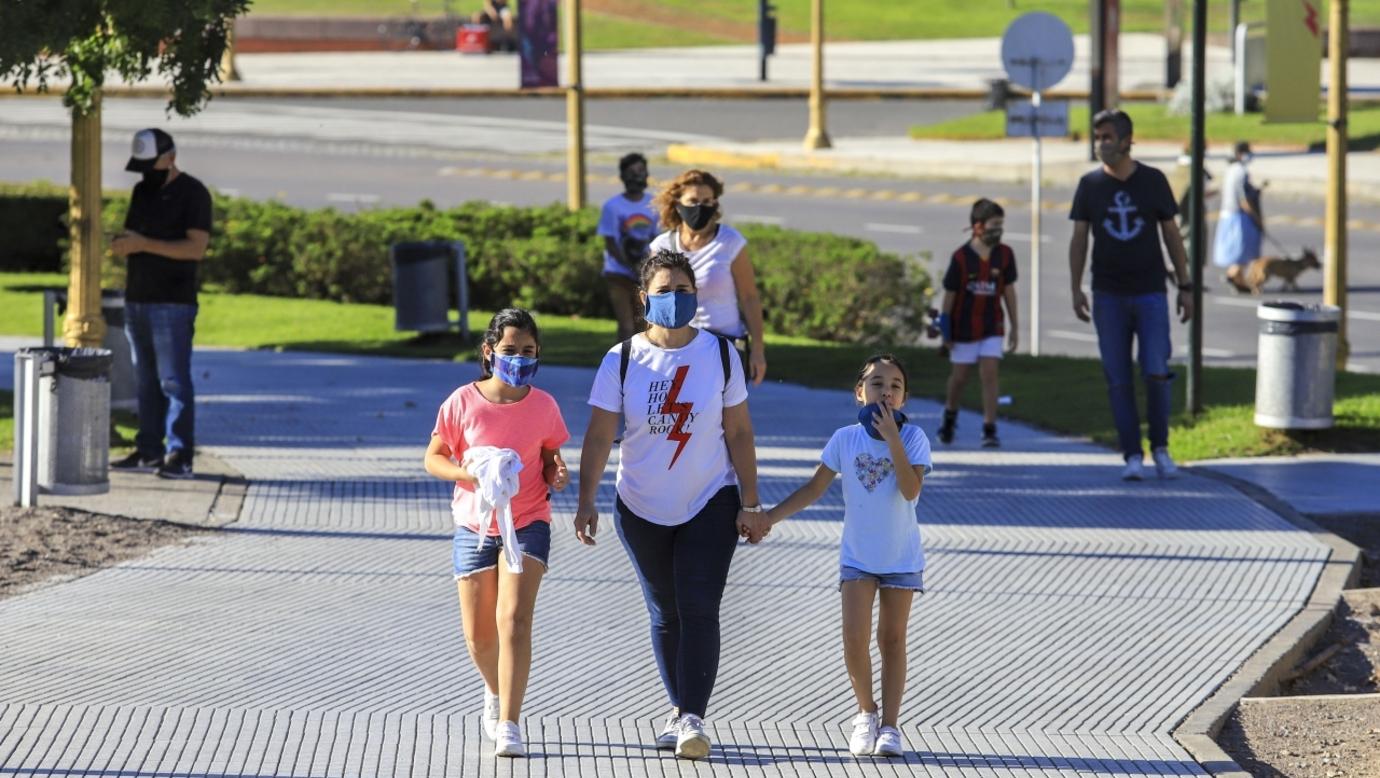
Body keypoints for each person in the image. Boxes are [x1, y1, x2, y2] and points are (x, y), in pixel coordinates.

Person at [574, 249, 761, 761]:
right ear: (643, 299)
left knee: (699, 606)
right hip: (640, 505)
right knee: (664, 611)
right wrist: (586, 499)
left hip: (710, 499)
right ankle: (681, 711)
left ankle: (693, 717)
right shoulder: (623, 359)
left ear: (697, 296)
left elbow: (739, 431)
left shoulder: (721, 354)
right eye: (663, 291)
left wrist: (751, 501)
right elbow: (598, 436)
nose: (674, 299)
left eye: (683, 290)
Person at [757, 354, 932, 758]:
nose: (885, 391)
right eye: (876, 384)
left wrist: (892, 440)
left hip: (901, 558)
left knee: (892, 639)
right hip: (858, 556)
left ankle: (890, 725)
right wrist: (770, 517)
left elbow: (910, 490)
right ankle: (865, 714)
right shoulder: (844, 439)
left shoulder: (914, 439)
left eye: (895, 386)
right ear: (859, 393)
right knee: (854, 637)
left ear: (904, 399)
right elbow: (813, 489)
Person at [424, 308, 571, 758]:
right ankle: (494, 689)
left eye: (528, 351)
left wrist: (557, 470)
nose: (520, 359)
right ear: (489, 352)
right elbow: (434, 457)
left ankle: (509, 721)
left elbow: (551, 456)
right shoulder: (462, 401)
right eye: (510, 350)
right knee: (479, 637)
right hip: (474, 524)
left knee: (513, 621)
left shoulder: (544, 405)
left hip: (527, 521)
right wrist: (469, 476)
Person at [1068, 110, 1194, 482]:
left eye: (1107, 137)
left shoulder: (1153, 181)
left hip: (1150, 293)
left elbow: (1172, 236)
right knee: (1118, 378)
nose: (1101, 144)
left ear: (1126, 140)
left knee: (1156, 372)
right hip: (1108, 294)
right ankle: (1131, 455)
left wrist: (1185, 286)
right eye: (1097, 137)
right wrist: (1077, 288)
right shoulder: (1089, 186)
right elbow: (1079, 241)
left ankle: (1161, 448)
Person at [109, 128, 212, 480]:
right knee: (145, 381)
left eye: (150, 165)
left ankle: (180, 454)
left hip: (173, 302)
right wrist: (124, 244)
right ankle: (149, 450)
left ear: (170, 157)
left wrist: (143, 245)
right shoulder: (141, 191)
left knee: (173, 381)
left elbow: (195, 249)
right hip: (137, 298)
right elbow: (136, 238)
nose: (145, 174)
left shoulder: (193, 193)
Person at [649, 169, 768, 386]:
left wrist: (758, 350)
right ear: (677, 203)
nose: (699, 207)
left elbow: (750, 297)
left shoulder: (730, 242)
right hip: (678, 346)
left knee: (726, 417)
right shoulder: (662, 246)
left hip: (725, 347)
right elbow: (654, 302)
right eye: (693, 201)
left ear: (715, 204)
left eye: (706, 201)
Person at [936, 198, 1019, 448]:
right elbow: (949, 298)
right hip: (963, 329)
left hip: (992, 325)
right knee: (960, 377)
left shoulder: (1004, 255)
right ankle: (949, 417)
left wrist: (1015, 326)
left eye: (1001, 224)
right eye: (994, 224)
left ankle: (989, 427)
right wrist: (946, 331)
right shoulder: (961, 258)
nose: (999, 230)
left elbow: (1009, 291)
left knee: (990, 373)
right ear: (978, 226)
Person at [598, 153, 658, 341]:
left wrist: (646, 267)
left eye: (640, 171)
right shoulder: (613, 206)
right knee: (626, 326)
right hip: (619, 273)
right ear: (622, 176)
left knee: (644, 324)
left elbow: (658, 237)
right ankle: (621, 365)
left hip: (645, 272)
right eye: (631, 172)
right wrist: (630, 267)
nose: (636, 176)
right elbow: (610, 242)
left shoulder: (654, 204)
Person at [1213, 141, 1265, 293]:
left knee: (1238, 250)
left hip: (1228, 214)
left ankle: (1238, 280)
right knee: (1243, 250)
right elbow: (1244, 199)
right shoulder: (1241, 171)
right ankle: (1234, 275)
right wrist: (1256, 218)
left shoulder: (1230, 170)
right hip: (1239, 216)